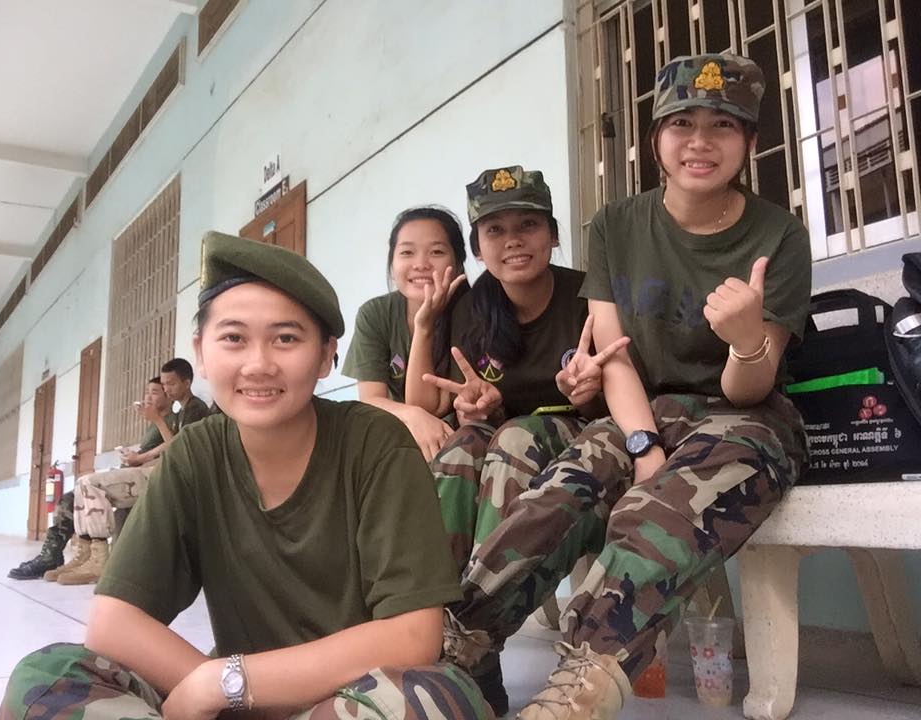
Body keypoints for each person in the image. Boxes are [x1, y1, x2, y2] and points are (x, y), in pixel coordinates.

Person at [439, 55, 811, 720]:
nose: (700, 141)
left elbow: (748, 387)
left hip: (746, 418)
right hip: (642, 408)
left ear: (751, 141)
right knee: (556, 495)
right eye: (682, 123)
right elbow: (613, 357)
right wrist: (643, 445)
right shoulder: (615, 225)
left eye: (723, 125)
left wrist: (746, 338)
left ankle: (583, 685)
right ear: (656, 138)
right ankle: (456, 649)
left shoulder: (778, 235)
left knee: (659, 511)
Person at [0, 231, 491, 720]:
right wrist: (226, 692)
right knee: (48, 676)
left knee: (432, 698)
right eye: (234, 338)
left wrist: (224, 682)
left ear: (326, 356)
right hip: (239, 703)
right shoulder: (196, 454)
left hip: (349, 700)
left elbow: (412, 637)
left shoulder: (375, 443)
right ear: (202, 352)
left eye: (286, 339)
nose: (258, 365)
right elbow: (113, 622)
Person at [413, 166, 626, 715]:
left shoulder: (588, 295)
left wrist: (588, 395)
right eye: (495, 230)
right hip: (509, 436)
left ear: (552, 234)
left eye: (528, 225)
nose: (512, 241)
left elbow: (622, 401)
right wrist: (477, 406)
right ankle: (435, 625)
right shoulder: (470, 309)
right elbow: (455, 403)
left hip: (583, 441)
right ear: (477, 247)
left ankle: (480, 638)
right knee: (460, 449)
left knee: (512, 439)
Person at [7, 377, 177, 581]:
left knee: (87, 487)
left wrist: (141, 455)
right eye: (147, 392)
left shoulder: (173, 421)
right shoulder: (153, 425)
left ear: (169, 395)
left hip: (152, 478)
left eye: (155, 392)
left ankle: (95, 559)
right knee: (70, 498)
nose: (148, 397)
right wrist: (131, 457)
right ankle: (67, 555)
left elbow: (173, 450)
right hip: (135, 473)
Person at [54, 368, 204, 586]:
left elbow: (178, 448)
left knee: (87, 483)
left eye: (168, 385)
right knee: (81, 486)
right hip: (154, 472)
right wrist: (138, 457)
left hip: (171, 478)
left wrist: (144, 452)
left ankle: (99, 560)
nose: (166, 389)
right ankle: (87, 555)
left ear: (187, 382)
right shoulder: (181, 412)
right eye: (163, 385)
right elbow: (170, 447)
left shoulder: (193, 409)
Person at [342, 206, 469, 460]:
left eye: (436, 252)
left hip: (456, 435)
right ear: (392, 265)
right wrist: (412, 416)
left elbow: (433, 407)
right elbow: (371, 400)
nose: (420, 264)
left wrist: (424, 326)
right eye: (407, 252)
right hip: (396, 430)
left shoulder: (471, 313)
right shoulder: (375, 314)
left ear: (457, 264)